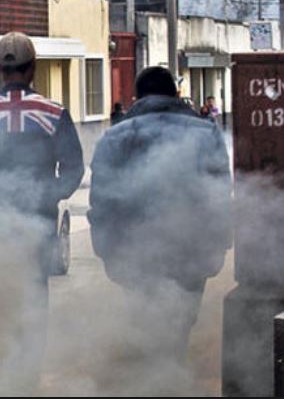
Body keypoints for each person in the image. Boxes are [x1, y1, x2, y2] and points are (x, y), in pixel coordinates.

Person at [0, 32, 84, 392]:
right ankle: (27, 377)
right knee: (33, 298)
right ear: (34, 69)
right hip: (39, 227)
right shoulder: (54, 113)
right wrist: (47, 197)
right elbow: (73, 169)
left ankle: (1, 376)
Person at [88, 67, 232, 360]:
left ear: (136, 97)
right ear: (176, 94)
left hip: (133, 252)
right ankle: (169, 377)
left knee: (145, 322)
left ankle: (155, 380)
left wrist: (107, 252)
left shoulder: (113, 137)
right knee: (180, 325)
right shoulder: (206, 132)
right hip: (191, 250)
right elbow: (219, 194)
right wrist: (218, 246)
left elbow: (102, 203)